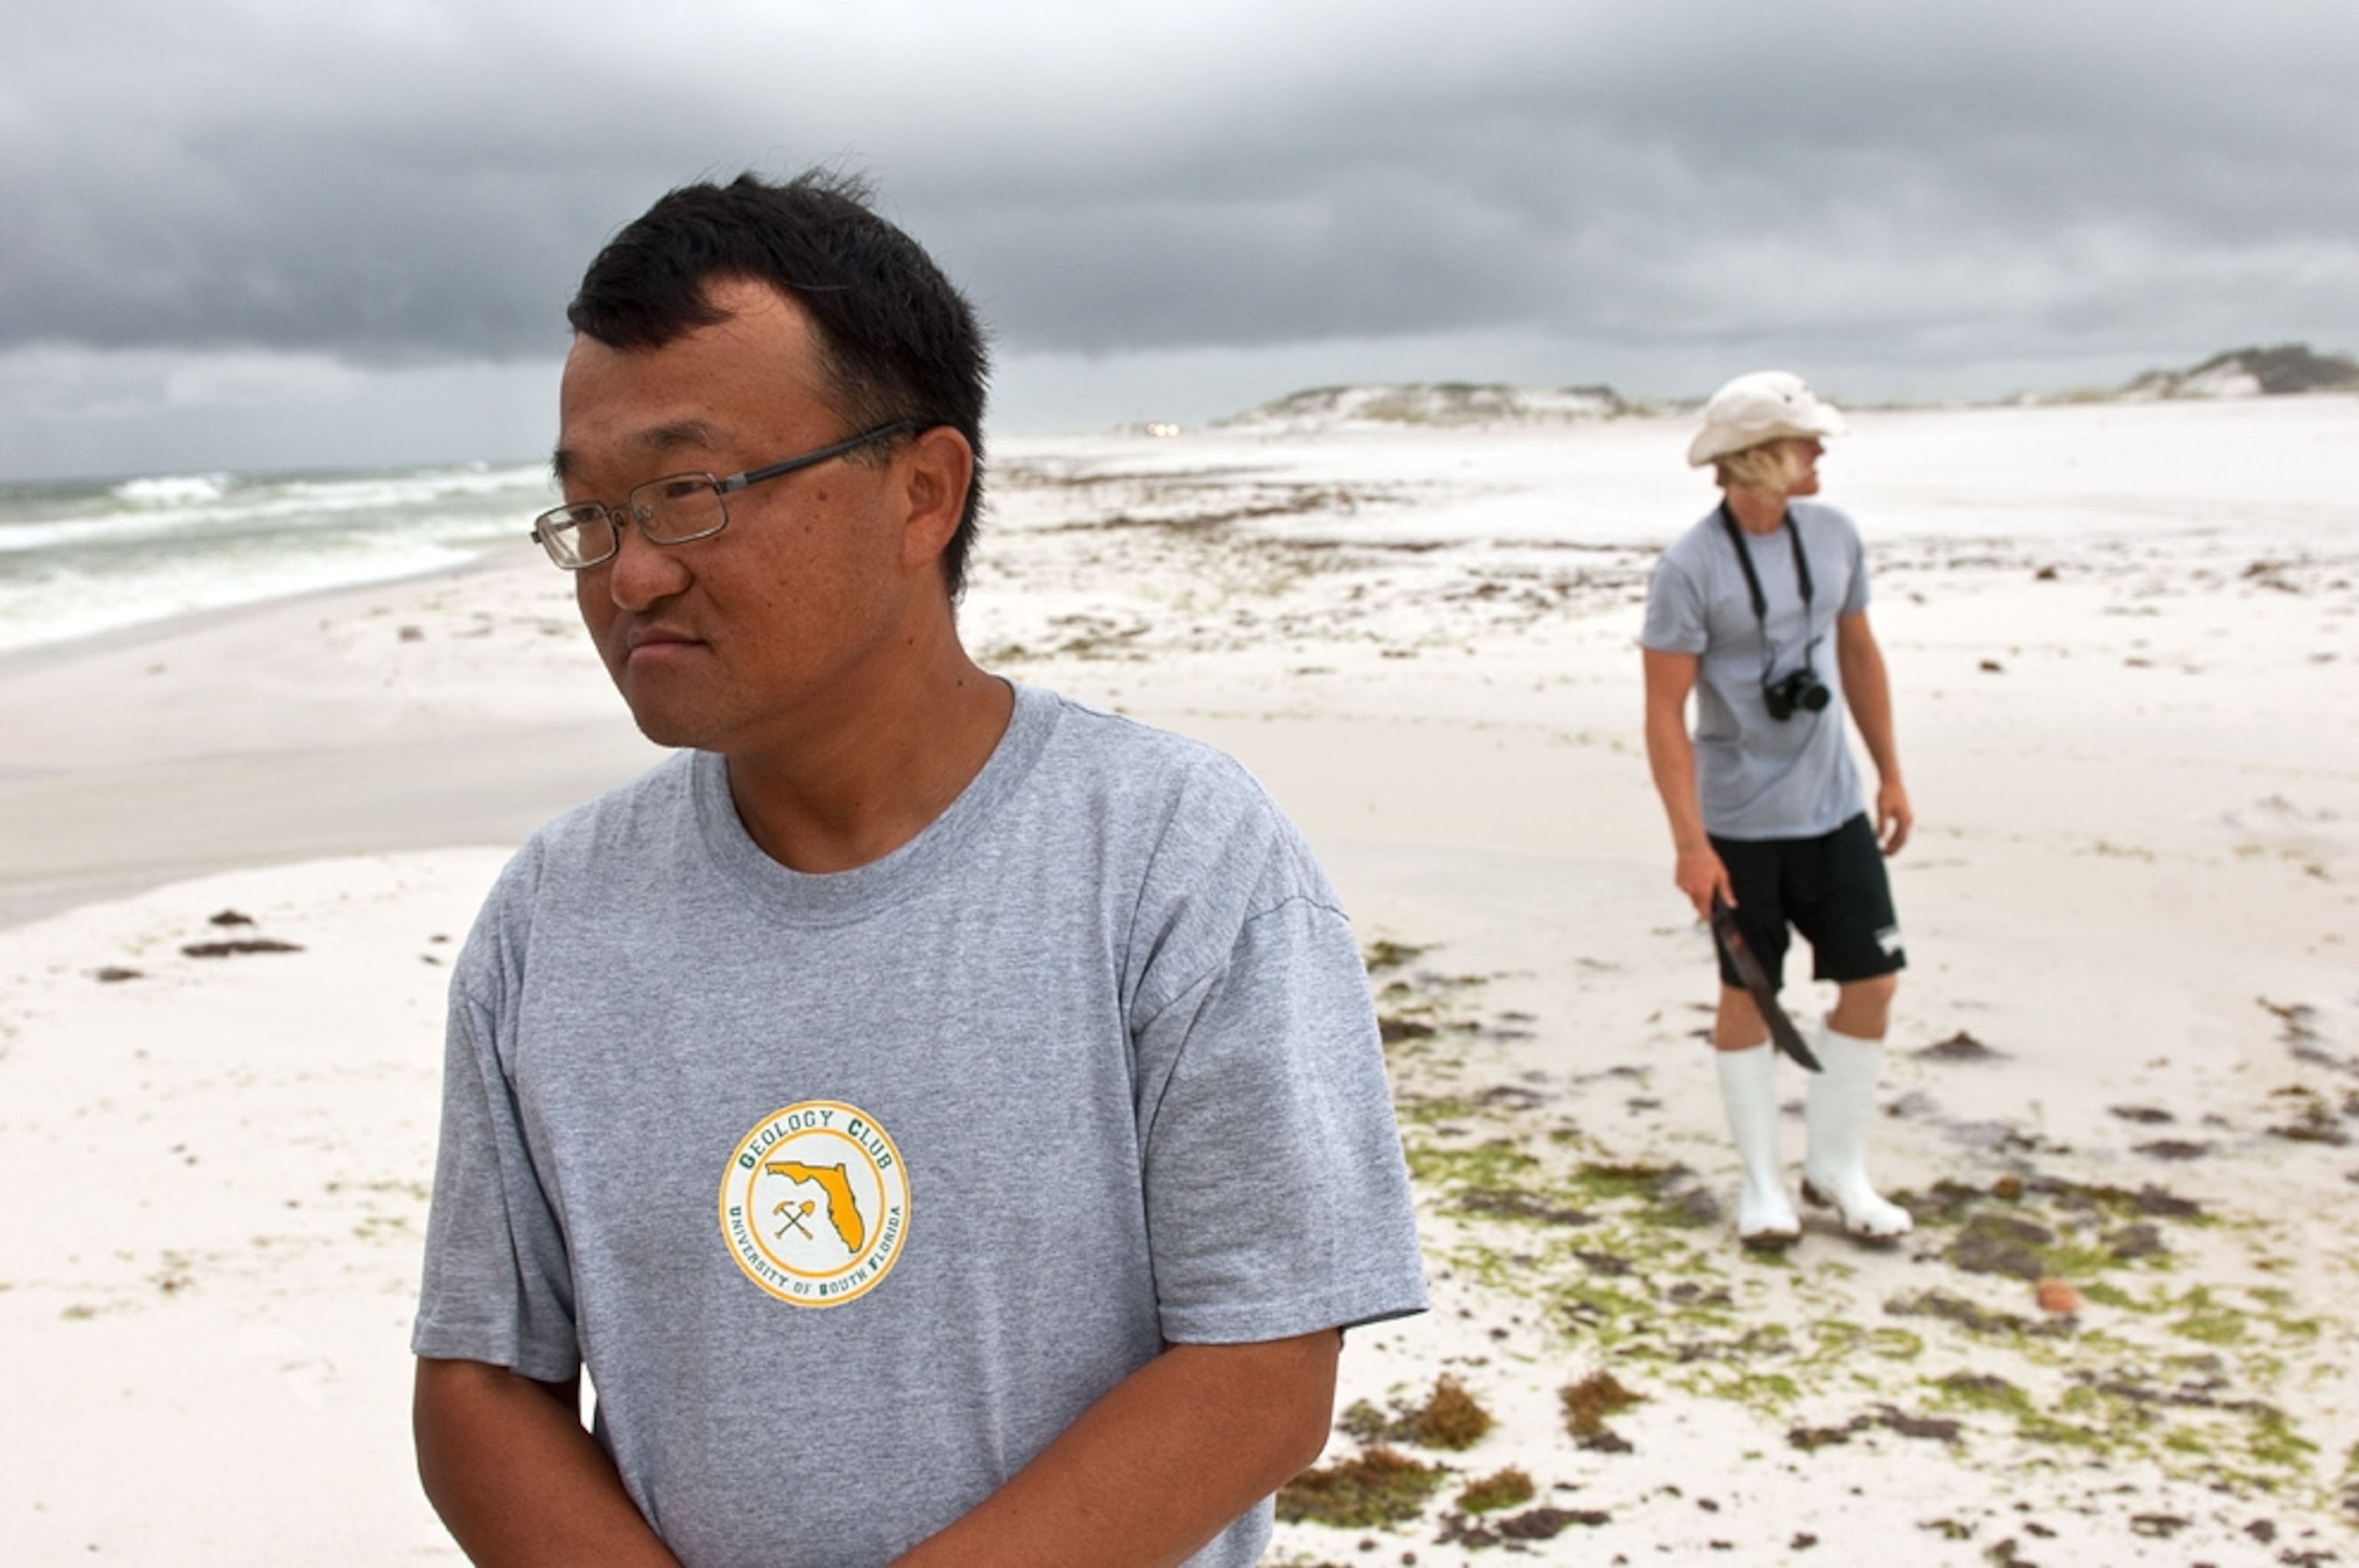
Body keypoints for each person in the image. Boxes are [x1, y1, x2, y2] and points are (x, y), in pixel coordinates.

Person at [409, 170, 1428, 1568]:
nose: (630, 573)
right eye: (591, 514)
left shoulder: (1171, 854)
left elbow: (1261, 1368)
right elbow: (480, 1375)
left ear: (922, 489)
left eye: (689, 493)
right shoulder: (553, 916)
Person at [1639, 371, 1914, 1250]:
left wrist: (1892, 775)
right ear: (1758, 457)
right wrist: (1690, 842)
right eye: (1807, 440)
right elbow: (1662, 714)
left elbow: (1861, 655)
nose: (1822, 452)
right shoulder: (1690, 567)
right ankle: (1762, 1185)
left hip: (1832, 811)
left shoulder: (1833, 535)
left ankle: (1836, 1168)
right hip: (1737, 827)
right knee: (1748, 995)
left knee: (1872, 980)